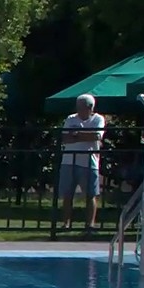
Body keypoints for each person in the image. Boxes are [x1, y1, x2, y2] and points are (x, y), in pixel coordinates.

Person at [57, 94, 105, 235]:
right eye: (78, 107)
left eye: (82, 107)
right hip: (68, 161)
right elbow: (65, 138)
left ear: (90, 108)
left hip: (89, 161)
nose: (79, 110)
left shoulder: (98, 119)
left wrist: (75, 134)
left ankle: (90, 225)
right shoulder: (71, 119)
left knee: (91, 194)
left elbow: (96, 136)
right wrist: (83, 135)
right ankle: (66, 224)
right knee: (67, 194)